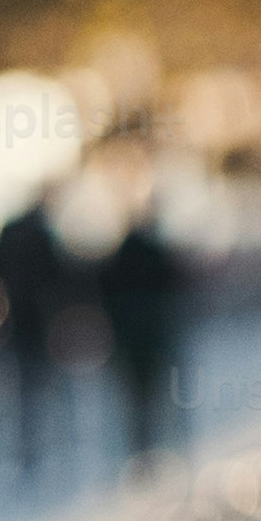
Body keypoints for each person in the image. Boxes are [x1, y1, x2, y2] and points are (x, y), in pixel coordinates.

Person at [0, 184, 89, 481]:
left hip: (22, 327)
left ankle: (34, 454)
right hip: (36, 328)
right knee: (39, 393)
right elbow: (62, 282)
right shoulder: (42, 236)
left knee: (27, 395)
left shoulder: (16, 233)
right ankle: (44, 454)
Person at [96, 188, 195, 468]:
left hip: (130, 340)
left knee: (136, 400)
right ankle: (162, 448)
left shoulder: (117, 256)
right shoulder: (154, 253)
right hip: (153, 336)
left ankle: (141, 450)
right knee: (160, 394)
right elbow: (177, 286)